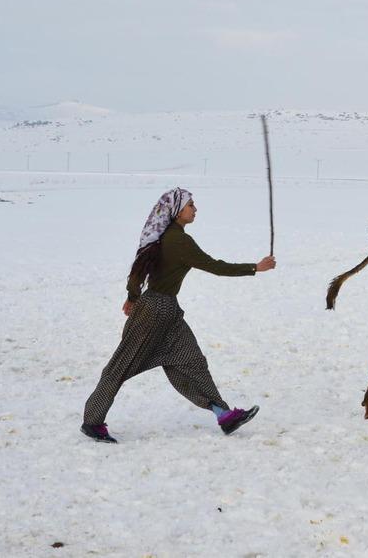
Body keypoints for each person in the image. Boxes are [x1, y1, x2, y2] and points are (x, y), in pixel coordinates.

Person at [81, 188, 276, 443]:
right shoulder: (179, 241)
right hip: (153, 313)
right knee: (120, 366)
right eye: (191, 205)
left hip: (166, 311)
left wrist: (132, 296)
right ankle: (92, 422)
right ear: (176, 211)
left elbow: (136, 273)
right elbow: (215, 267)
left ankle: (223, 414)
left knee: (191, 361)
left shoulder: (160, 237)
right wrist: (255, 268)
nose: (195, 210)